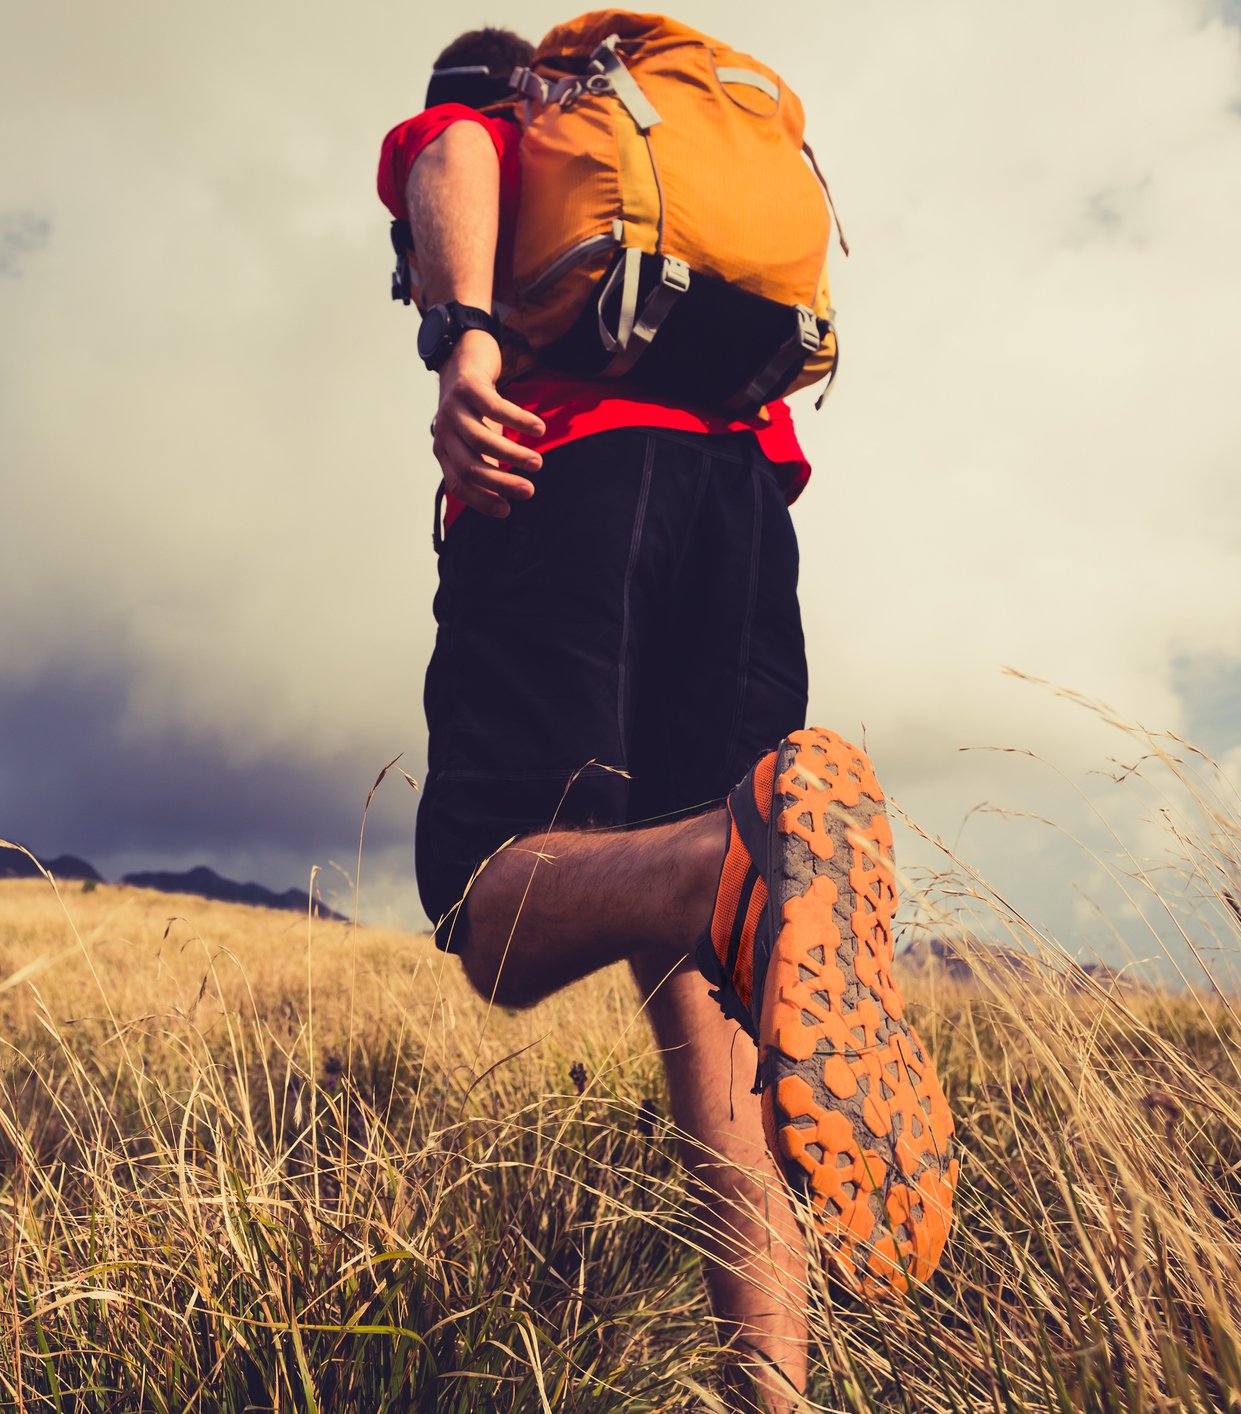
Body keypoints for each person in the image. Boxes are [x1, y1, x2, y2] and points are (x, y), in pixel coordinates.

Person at [378, 24, 956, 1409]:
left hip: (564, 476)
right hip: (741, 516)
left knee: (484, 892)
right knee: (707, 990)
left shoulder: (501, 113)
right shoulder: (682, 182)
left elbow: (445, 150)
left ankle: (725, 859)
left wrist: (461, 338)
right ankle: (772, 1392)